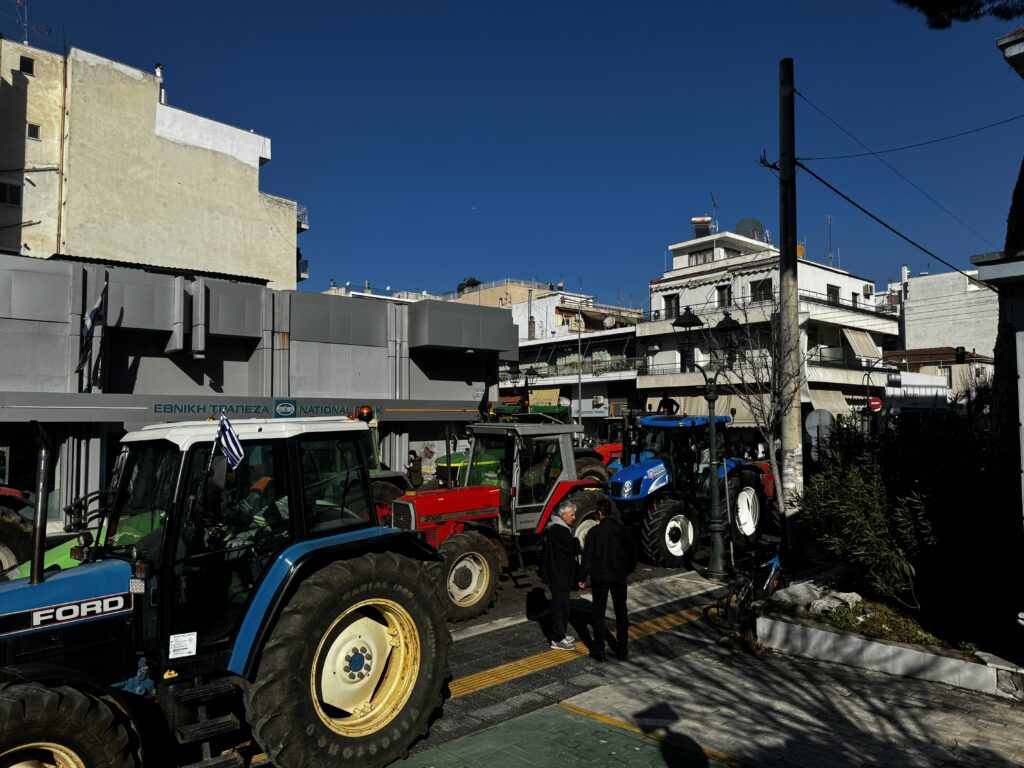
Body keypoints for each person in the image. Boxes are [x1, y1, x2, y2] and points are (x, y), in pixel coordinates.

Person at [580, 497, 638, 661]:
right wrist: (626, 571)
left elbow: (587, 558)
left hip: (600, 578)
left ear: (600, 514)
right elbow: (633, 555)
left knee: (598, 614)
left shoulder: (594, 533)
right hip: (619, 576)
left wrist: (582, 577)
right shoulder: (623, 531)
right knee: (621, 612)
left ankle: (600, 650)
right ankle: (621, 647)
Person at [539, 500, 581, 650]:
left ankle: (561, 633)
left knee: (563, 605)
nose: (574, 517)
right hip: (559, 575)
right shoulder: (559, 530)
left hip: (560, 574)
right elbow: (572, 548)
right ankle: (557, 638)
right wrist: (576, 541)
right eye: (572, 514)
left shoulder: (559, 528)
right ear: (563, 515)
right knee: (560, 606)